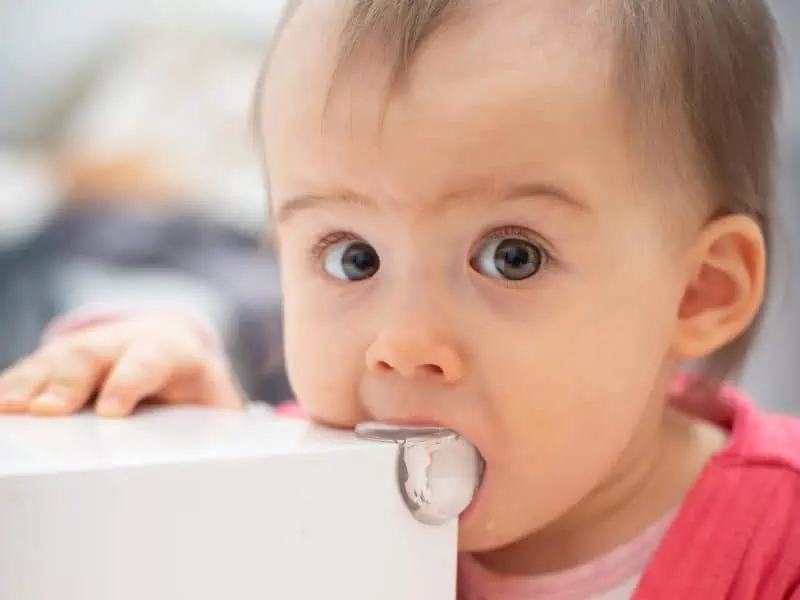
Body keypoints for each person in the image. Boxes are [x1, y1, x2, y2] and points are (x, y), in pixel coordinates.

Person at [0, 1, 796, 598]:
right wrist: (185, 435)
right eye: (352, 258)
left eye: (511, 257)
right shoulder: (305, 488)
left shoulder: (780, 544)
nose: (403, 342)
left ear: (699, 291)